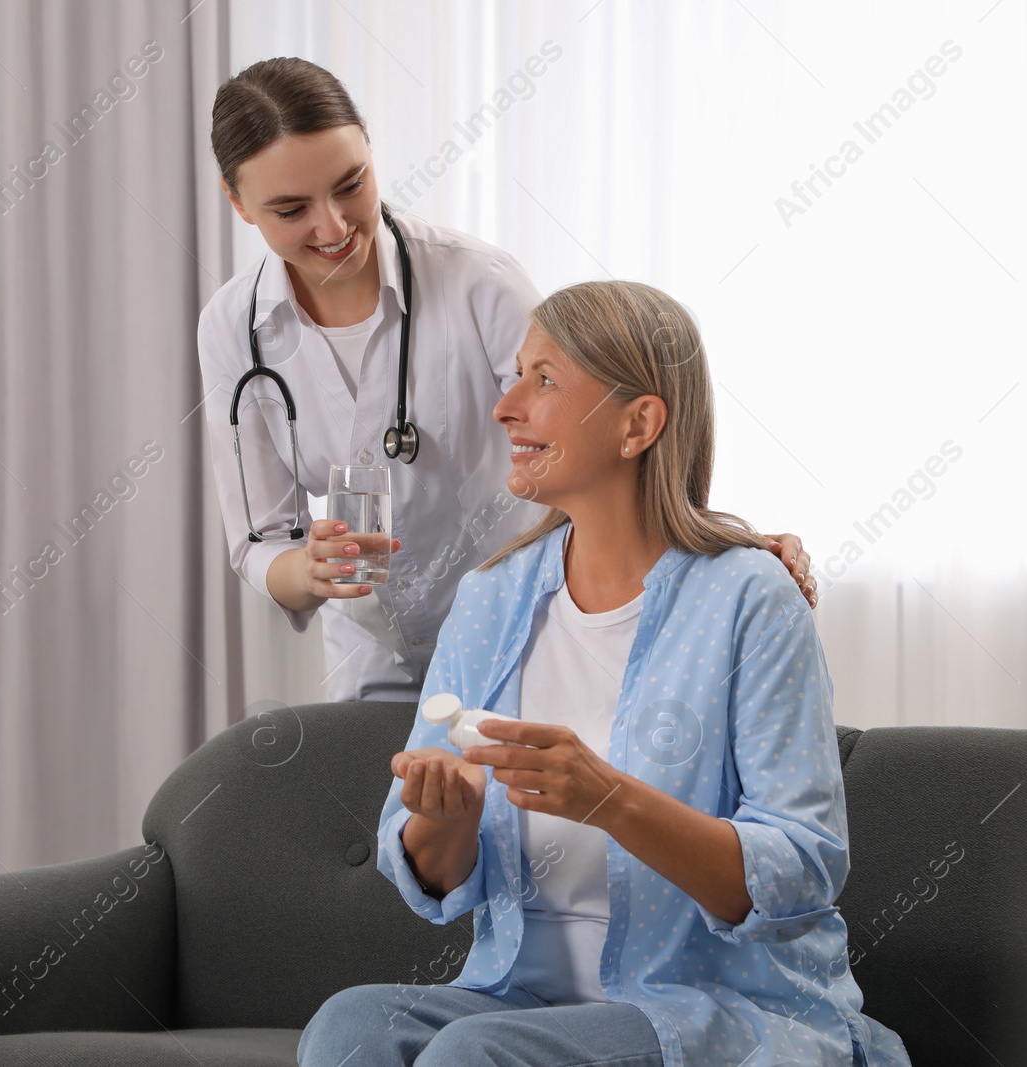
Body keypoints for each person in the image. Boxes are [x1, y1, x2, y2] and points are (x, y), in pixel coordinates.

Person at [298, 281, 911, 1066]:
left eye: (544, 380)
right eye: (516, 374)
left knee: (473, 1055)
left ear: (638, 424)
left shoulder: (750, 598)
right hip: (519, 995)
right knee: (350, 1028)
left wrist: (610, 798)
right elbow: (429, 866)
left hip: (712, 1009)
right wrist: (442, 814)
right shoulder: (492, 600)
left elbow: (800, 866)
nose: (507, 406)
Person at [198, 58, 818, 702]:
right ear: (237, 202)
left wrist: (715, 550)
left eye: (351, 184)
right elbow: (260, 543)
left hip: (528, 633)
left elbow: (600, 434)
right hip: (372, 658)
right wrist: (310, 568)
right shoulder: (231, 329)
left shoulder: (478, 282)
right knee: (401, 800)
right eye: (291, 209)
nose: (333, 227)